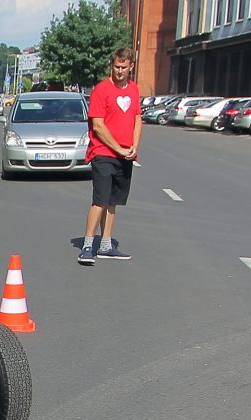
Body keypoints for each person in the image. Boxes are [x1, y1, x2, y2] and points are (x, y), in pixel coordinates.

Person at [78, 48, 142, 266]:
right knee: (100, 200)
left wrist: (133, 146)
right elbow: (98, 126)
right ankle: (87, 246)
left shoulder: (133, 90)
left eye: (124, 67)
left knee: (113, 202)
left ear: (131, 67)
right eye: (117, 66)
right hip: (103, 153)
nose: (120, 71)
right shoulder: (101, 90)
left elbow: (137, 119)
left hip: (125, 155)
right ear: (111, 66)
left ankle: (106, 245)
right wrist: (119, 149)